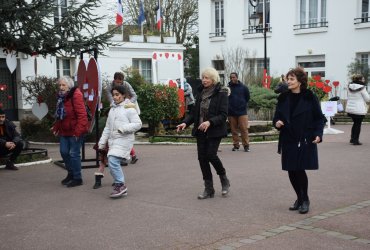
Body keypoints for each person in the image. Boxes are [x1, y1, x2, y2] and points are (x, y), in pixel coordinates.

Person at [273, 67, 326, 214]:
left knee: (300, 170)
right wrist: (277, 123)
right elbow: (276, 118)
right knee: (291, 170)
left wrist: (318, 134)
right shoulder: (283, 97)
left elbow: (319, 118)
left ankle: (305, 199)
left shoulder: (310, 96)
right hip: (288, 138)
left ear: (299, 81)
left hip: (304, 139)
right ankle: (299, 198)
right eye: (287, 79)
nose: (288, 82)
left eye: (291, 79)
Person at [177, 67, 230, 199]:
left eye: (206, 77)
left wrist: (210, 122)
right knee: (202, 159)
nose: (204, 80)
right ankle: (209, 188)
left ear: (213, 79)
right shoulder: (200, 93)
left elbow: (223, 115)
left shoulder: (221, 93)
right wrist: (185, 123)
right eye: (203, 77)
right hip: (200, 131)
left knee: (211, 155)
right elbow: (194, 112)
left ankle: (224, 178)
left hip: (214, 130)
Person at [98, 85, 142, 198]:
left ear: (123, 95)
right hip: (113, 141)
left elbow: (138, 124)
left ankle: (120, 185)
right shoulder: (112, 109)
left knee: (112, 160)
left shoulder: (129, 108)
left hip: (124, 139)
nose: (115, 97)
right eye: (113, 95)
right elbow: (107, 128)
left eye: (117, 95)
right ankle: (120, 185)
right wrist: (102, 142)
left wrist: (123, 128)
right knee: (112, 164)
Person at [52, 76, 88, 187]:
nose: (61, 87)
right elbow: (60, 116)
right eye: (60, 85)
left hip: (75, 131)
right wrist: (56, 127)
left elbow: (82, 115)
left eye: (63, 85)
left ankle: (77, 178)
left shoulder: (76, 95)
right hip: (64, 131)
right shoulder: (61, 97)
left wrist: (77, 132)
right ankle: (71, 173)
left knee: (74, 154)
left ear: (69, 86)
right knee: (63, 152)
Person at [107, 72, 139, 164]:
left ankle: (127, 155)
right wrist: (113, 103)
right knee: (119, 132)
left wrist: (128, 103)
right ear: (114, 80)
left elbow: (134, 95)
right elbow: (110, 97)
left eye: (120, 82)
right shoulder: (110, 86)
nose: (118, 84)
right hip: (116, 108)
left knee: (125, 134)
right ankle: (129, 155)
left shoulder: (126, 84)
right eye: (117, 82)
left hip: (128, 108)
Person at [227, 72, 251, 152]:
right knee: (234, 130)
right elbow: (225, 99)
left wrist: (242, 104)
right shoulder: (228, 88)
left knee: (244, 130)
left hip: (242, 112)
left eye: (234, 77)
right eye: (231, 78)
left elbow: (247, 98)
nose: (232, 79)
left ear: (237, 77)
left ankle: (246, 146)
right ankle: (236, 145)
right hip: (231, 112)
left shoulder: (244, 87)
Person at [345, 74, 370, 145]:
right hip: (359, 109)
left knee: (355, 123)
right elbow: (367, 99)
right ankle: (355, 140)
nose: (364, 80)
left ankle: (352, 139)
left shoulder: (349, 86)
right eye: (363, 79)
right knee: (358, 124)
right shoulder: (362, 87)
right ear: (359, 80)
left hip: (350, 108)